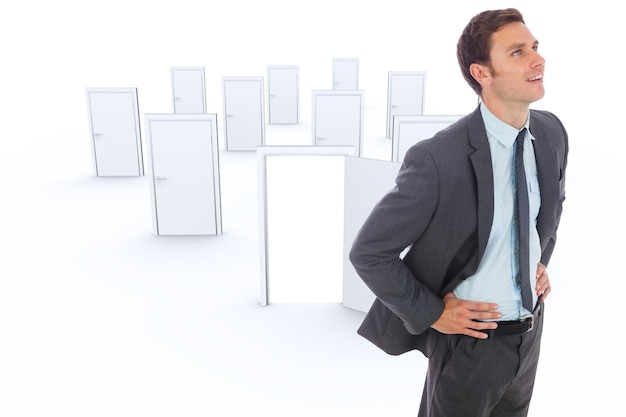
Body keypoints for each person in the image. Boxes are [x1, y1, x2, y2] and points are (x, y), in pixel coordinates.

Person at [349, 8, 568, 417]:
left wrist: (537, 261)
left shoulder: (552, 133)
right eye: (518, 52)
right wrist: (433, 313)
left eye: (535, 47)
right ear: (482, 73)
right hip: (470, 346)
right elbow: (369, 253)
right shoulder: (438, 159)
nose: (538, 59)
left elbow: (550, 207)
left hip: (530, 336)